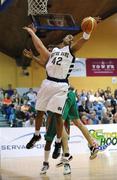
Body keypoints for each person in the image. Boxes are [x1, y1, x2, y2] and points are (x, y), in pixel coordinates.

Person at [23, 17, 100, 153]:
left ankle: (62, 146)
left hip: (61, 86)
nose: (70, 37)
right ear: (62, 40)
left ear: (71, 43)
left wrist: (88, 30)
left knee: (61, 117)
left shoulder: (71, 51)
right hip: (48, 82)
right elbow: (40, 48)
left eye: (71, 38)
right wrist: (32, 33)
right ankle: (37, 135)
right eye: (68, 36)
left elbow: (83, 40)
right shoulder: (54, 52)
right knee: (39, 112)